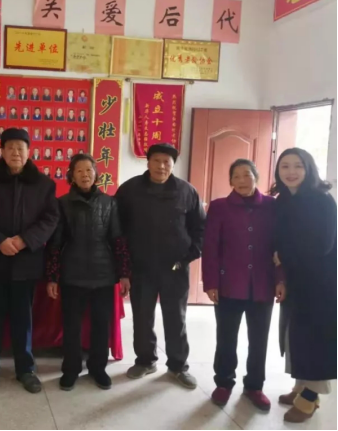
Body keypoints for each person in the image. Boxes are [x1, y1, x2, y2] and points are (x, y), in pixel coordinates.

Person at [0, 128, 60, 394]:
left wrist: (24, 240)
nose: (15, 152)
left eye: (20, 148)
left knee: (23, 319)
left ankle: (26, 369)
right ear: (1, 151)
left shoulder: (43, 184)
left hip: (26, 263)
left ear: (29, 152)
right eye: (10, 147)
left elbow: (50, 219)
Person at [115, 143, 205, 389]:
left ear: (173, 165)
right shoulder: (130, 190)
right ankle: (145, 360)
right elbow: (117, 228)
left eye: (167, 162)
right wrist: (123, 266)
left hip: (175, 268)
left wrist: (188, 256)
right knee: (142, 316)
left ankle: (178, 366)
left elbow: (200, 228)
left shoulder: (187, 191)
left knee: (176, 317)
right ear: (148, 162)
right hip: (141, 266)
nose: (161, 166)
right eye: (156, 161)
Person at [202, 159, 285, 411]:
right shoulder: (219, 207)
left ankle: (254, 386)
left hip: (262, 284)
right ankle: (224, 382)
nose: (242, 180)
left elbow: (280, 245)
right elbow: (210, 247)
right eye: (236, 176)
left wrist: (280, 278)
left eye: (247, 175)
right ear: (230, 181)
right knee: (226, 337)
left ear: (256, 177)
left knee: (259, 339)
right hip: (228, 284)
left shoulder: (272, 206)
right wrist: (211, 282)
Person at [46, 154, 131, 390]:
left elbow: (118, 240)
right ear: (71, 176)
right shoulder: (62, 203)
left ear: (96, 174)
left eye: (89, 170)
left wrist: (124, 274)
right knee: (71, 325)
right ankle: (71, 369)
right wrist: (52, 277)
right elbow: (55, 243)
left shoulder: (109, 203)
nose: (85, 175)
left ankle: (98, 368)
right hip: (72, 274)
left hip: (103, 274)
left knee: (101, 324)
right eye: (80, 171)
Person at [272, 148, 337, 423]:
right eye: (285, 166)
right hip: (296, 278)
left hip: (320, 282)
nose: (291, 172)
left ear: (308, 168)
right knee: (294, 334)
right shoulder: (285, 199)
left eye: (298, 166)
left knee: (315, 339)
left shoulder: (322, 200)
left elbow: (323, 245)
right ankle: (301, 385)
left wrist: (284, 257)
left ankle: (311, 396)